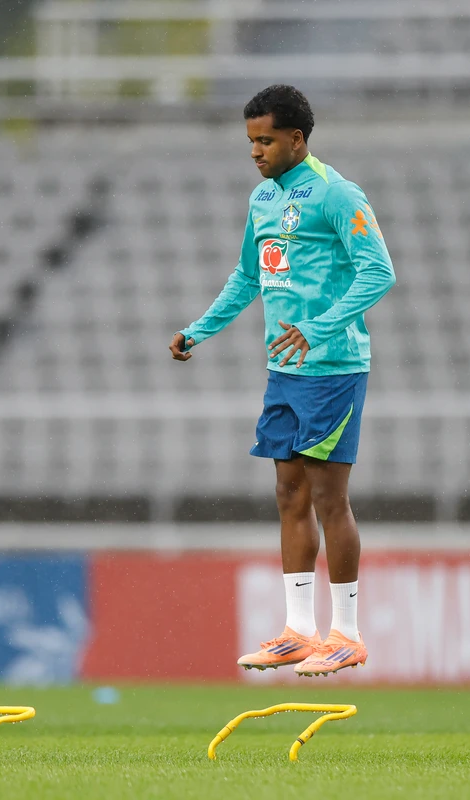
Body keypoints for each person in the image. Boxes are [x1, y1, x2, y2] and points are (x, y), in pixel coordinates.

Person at [169, 85, 395, 676]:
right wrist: (199, 331)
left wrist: (318, 330)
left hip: (334, 367)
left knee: (328, 498)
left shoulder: (336, 193)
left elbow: (379, 272)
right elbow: (248, 276)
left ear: (297, 138)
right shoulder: (263, 200)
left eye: (266, 140)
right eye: (250, 141)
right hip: (284, 372)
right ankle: (299, 629)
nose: (256, 151)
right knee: (288, 494)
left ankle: (346, 633)